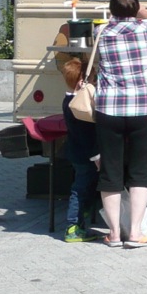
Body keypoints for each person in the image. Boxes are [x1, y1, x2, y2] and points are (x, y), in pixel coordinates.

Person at [94, 0, 147, 249]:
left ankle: (113, 233)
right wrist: (138, 8)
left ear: (111, 10)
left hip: (109, 108)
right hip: (144, 106)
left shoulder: (100, 33)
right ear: (135, 9)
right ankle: (134, 233)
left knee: (110, 171)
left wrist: (120, 13)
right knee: (140, 171)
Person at [59, 54, 100, 243]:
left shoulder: (68, 101)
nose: (94, 83)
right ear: (82, 81)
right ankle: (72, 227)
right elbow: (86, 136)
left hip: (76, 152)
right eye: (92, 79)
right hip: (85, 154)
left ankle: (80, 224)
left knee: (83, 187)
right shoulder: (80, 106)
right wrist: (96, 156)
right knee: (80, 189)